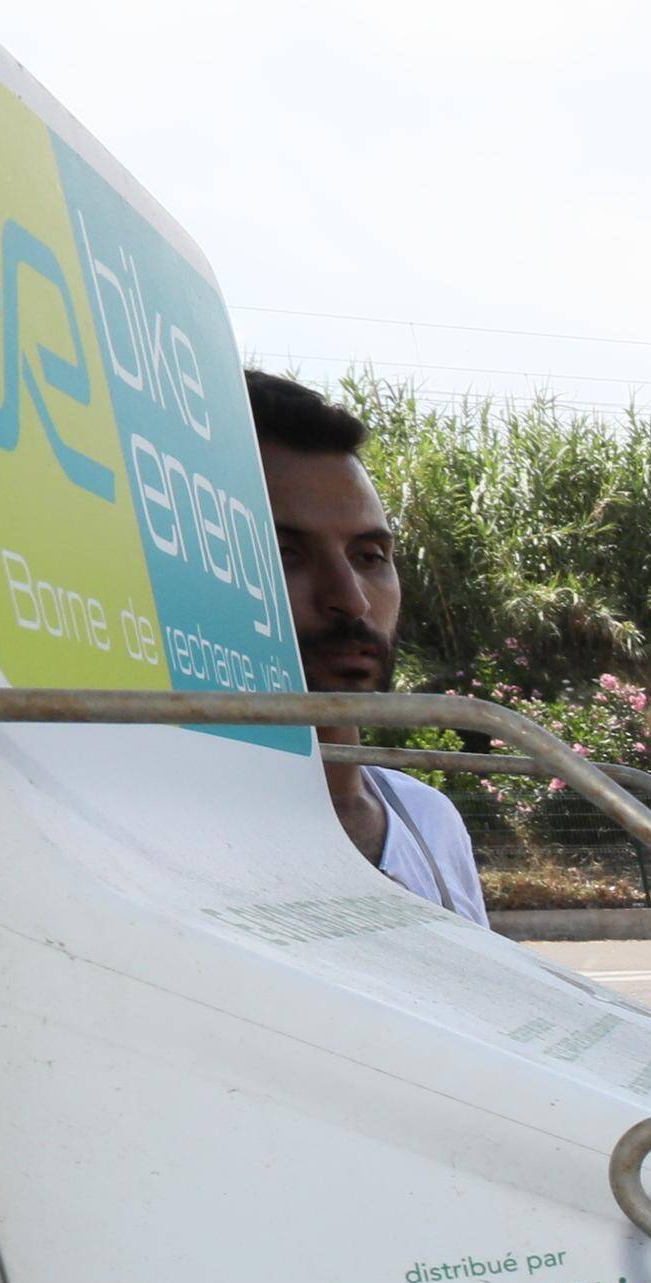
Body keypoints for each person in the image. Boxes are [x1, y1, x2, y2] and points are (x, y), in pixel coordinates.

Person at [246, 371, 483, 925]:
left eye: (369, 556)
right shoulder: (161, 824)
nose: (351, 601)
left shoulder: (429, 822)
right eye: (285, 554)